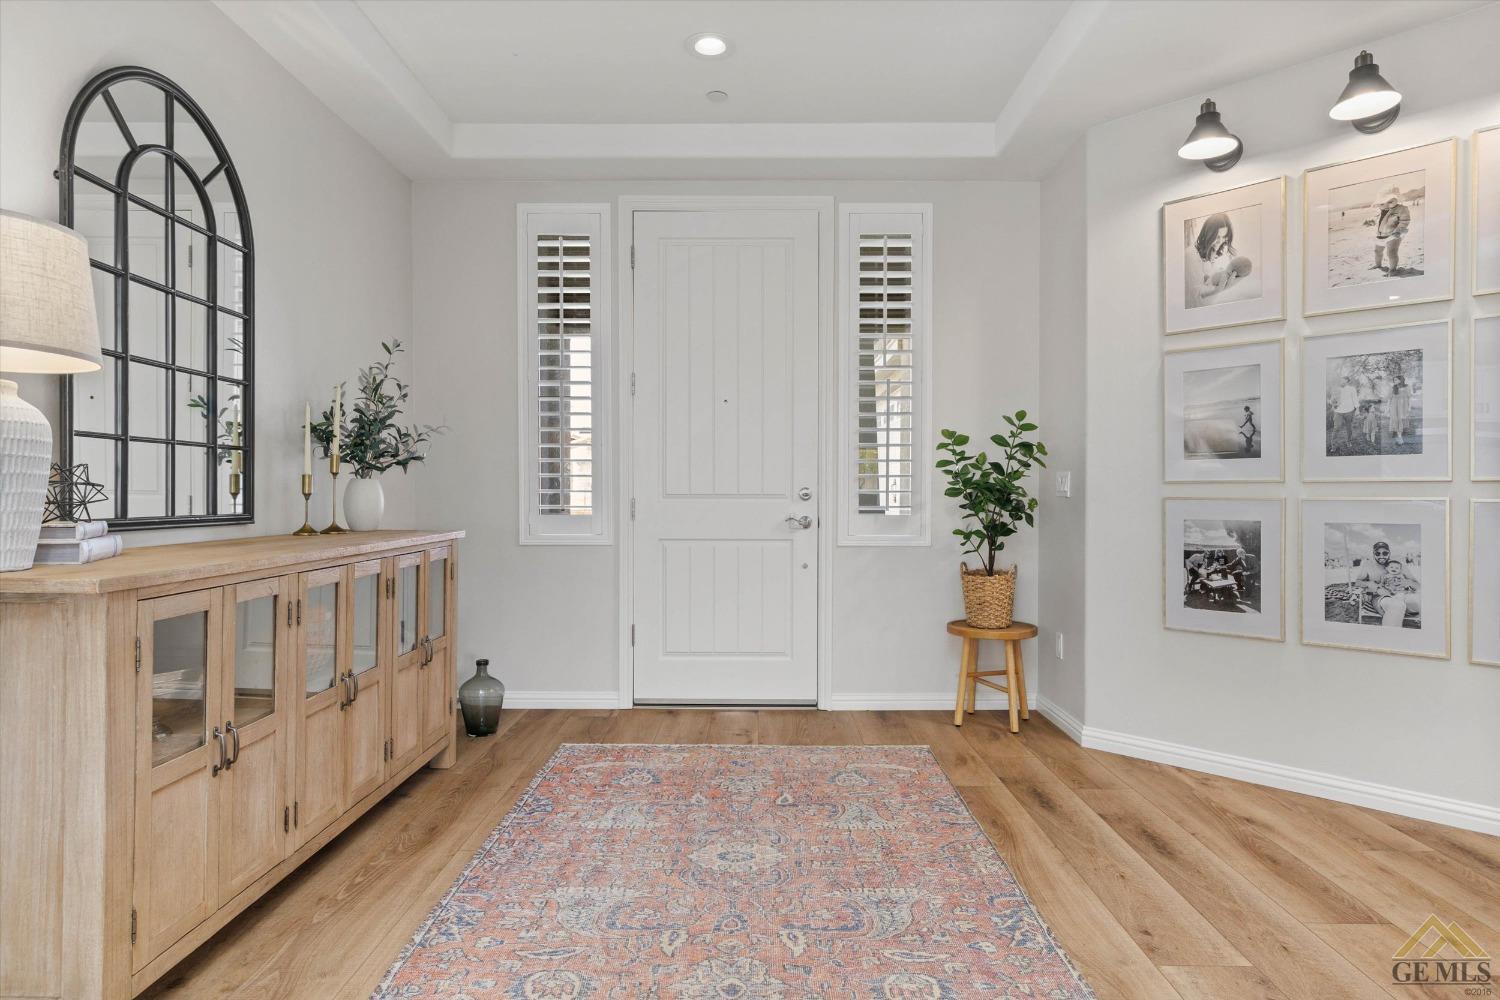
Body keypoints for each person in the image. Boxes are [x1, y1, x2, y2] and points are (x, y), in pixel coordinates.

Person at [1352, 540, 1420, 627]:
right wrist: (1373, 586)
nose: (1381, 556)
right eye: (1378, 553)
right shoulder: (1368, 565)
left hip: (1402, 594)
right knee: (1397, 606)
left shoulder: (1398, 565)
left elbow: (1417, 585)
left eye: (1385, 553)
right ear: (1373, 554)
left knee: (1419, 603)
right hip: (1381, 597)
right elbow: (1358, 582)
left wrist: (1407, 582)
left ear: (1389, 553)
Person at [1193, 213, 1254, 301]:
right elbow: (1195, 296)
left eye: (1224, 237)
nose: (1220, 241)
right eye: (1217, 237)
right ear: (1209, 234)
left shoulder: (1220, 257)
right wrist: (1216, 290)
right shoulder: (1193, 256)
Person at [1372, 188, 1411, 276]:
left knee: (1391, 252)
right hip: (1380, 234)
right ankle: (1378, 265)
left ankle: (1393, 269)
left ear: (1397, 199)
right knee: (1377, 251)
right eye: (1382, 203)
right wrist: (1371, 222)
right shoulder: (1380, 210)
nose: (1387, 205)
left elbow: (1405, 221)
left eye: (1390, 202)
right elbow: (1378, 221)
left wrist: (1398, 231)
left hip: (1394, 234)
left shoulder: (1401, 209)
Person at [1333, 375, 1359, 450]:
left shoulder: (1352, 389)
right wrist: (1334, 403)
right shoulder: (1337, 389)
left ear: (1347, 380)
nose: (1341, 381)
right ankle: (1333, 445)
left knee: (1349, 428)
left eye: (1342, 380)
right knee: (1336, 427)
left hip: (1349, 411)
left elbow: (1355, 399)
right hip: (1338, 411)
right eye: (1340, 380)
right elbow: (1333, 400)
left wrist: (1357, 409)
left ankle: (1349, 442)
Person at [1389, 374, 1412, 446]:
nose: (1394, 381)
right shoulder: (1394, 388)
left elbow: (1409, 398)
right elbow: (1390, 398)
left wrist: (1409, 407)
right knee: (1396, 421)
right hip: (1394, 406)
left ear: (1400, 380)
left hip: (1403, 407)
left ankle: (1399, 438)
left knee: (1401, 420)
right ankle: (1399, 438)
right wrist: (1387, 408)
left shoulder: (1407, 387)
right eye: (1394, 380)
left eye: (1396, 380)